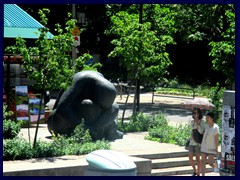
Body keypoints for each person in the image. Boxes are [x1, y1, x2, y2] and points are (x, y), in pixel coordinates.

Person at [201, 112, 219, 176]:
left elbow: (216, 139)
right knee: (203, 161)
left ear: (212, 118)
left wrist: (217, 149)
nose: (206, 119)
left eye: (208, 117)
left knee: (210, 163)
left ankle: (218, 170)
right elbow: (203, 134)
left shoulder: (215, 127)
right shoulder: (206, 126)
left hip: (211, 147)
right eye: (206, 118)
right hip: (204, 146)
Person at [188, 107, 205, 176]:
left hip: (198, 142)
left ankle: (198, 173)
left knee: (198, 158)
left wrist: (197, 124)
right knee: (190, 157)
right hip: (192, 141)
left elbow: (202, 132)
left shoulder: (202, 122)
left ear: (199, 114)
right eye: (194, 113)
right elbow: (191, 130)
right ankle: (195, 170)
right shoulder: (192, 122)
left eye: (197, 113)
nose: (195, 114)